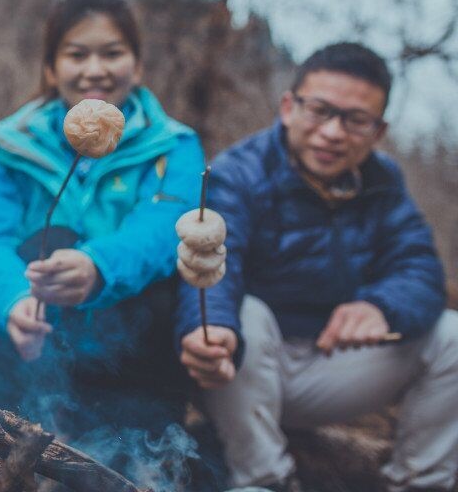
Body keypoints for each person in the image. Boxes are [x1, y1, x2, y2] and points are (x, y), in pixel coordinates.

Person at [0, 0, 221, 488]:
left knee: (135, 472)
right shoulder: (7, 147)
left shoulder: (174, 146)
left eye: (112, 53)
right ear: (52, 69)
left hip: (140, 360)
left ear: (137, 66)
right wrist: (11, 300)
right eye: (77, 54)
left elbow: (166, 229)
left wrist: (98, 266)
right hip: (30, 353)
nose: (94, 70)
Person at [175, 42, 458, 492]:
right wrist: (210, 330)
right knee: (242, 312)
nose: (332, 132)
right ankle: (265, 480)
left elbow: (420, 267)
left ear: (378, 131)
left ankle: (422, 482)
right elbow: (212, 268)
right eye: (320, 110)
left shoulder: (383, 183)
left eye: (355, 120)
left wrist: (382, 306)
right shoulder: (239, 173)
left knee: (452, 336)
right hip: (245, 371)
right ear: (289, 106)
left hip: (333, 367)